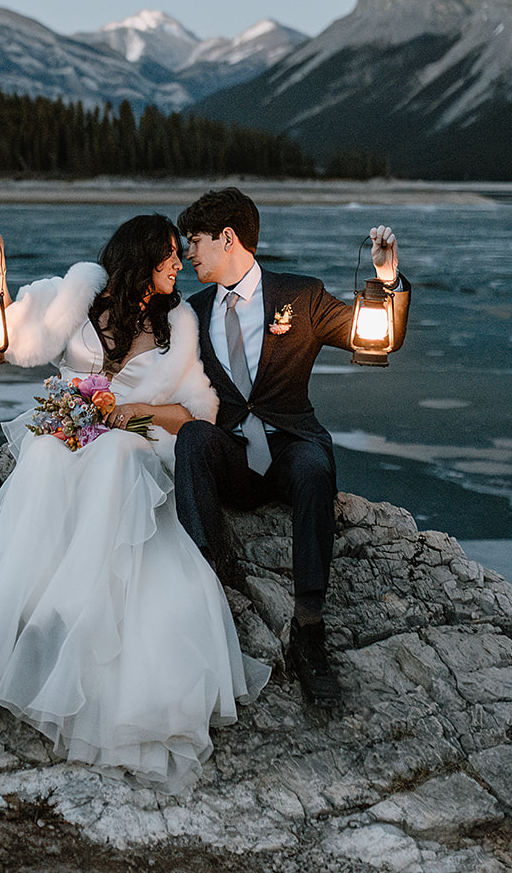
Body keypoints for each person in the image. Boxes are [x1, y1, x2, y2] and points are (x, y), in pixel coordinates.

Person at [0, 214, 269, 792]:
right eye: (167, 255)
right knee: (41, 455)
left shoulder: (178, 327)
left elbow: (196, 414)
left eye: (178, 254)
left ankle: (87, 605)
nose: (176, 264)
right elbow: (14, 343)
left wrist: (126, 414)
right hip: (66, 436)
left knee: (114, 456)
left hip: (136, 446)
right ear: (140, 260)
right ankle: (34, 599)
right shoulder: (79, 298)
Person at [174, 187, 409, 706]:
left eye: (194, 241)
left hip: (289, 446)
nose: (188, 253)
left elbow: (377, 337)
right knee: (192, 438)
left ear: (227, 238)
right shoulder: (190, 312)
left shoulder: (301, 296)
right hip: (231, 454)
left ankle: (309, 626)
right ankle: (212, 584)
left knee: (311, 466)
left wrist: (388, 281)